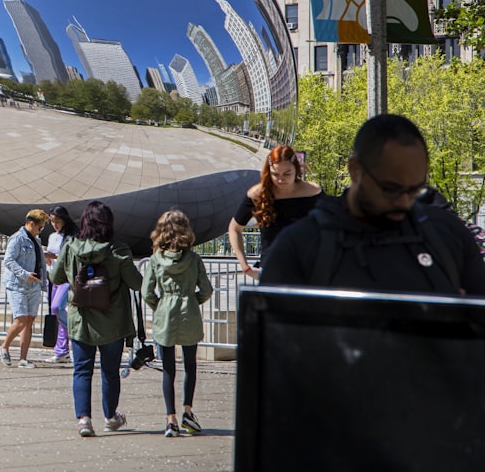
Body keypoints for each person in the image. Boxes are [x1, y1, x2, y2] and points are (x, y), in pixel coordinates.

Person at [261, 114, 485, 294]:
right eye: (390, 189)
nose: (405, 201)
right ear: (355, 170)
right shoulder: (299, 247)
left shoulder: (449, 235)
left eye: (415, 189)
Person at [49, 200, 143, 437]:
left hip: (82, 319)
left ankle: (84, 420)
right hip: (112, 321)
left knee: (82, 371)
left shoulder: (71, 247)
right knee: (110, 372)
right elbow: (136, 283)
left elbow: (56, 277)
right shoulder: (118, 250)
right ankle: (111, 417)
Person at [141, 209, 213, 438]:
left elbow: (147, 292)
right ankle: (188, 412)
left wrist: (160, 306)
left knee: (168, 370)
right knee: (190, 366)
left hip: (165, 314)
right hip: (189, 312)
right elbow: (207, 290)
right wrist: (192, 300)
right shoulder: (193, 259)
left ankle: (170, 419)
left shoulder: (155, 260)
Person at [227, 145, 322, 279]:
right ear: (268, 171)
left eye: (287, 173)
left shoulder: (312, 192)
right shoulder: (257, 194)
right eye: (275, 174)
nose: (281, 180)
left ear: (296, 169)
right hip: (271, 272)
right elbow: (234, 228)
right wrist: (245, 266)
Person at [0, 208, 49, 369]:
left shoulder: (36, 240)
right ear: (30, 224)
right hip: (17, 285)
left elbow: (38, 258)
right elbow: (9, 260)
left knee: (29, 321)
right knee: (20, 320)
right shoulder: (18, 238)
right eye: (39, 227)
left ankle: (23, 358)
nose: (40, 231)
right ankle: (4, 346)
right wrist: (24, 274)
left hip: (33, 285)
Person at [43, 205, 78, 364]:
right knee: (56, 311)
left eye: (57, 221)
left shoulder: (71, 237)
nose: (54, 224)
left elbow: (68, 256)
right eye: (52, 221)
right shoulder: (52, 236)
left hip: (65, 278)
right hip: (53, 276)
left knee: (56, 308)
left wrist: (54, 255)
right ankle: (62, 350)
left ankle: (72, 334)